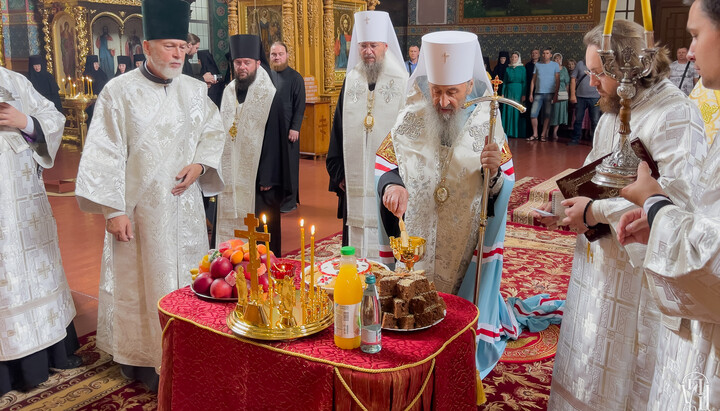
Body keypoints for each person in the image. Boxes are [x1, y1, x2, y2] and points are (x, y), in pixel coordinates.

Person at [535, 20, 708, 410]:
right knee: (590, 357)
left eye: (597, 73)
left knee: (627, 377)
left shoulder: (675, 114)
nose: (590, 81)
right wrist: (564, 207)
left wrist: (595, 211)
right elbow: (596, 174)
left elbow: (678, 202)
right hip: (598, 265)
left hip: (638, 279)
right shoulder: (615, 109)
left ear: (629, 69)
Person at [74, 0, 225, 391]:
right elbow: (103, 152)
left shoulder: (194, 91)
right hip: (137, 213)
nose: (178, 54)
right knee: (142, 283)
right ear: (146, 47)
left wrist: (201, 166)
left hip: (185, 206)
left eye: (183, 46)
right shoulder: (118, 93)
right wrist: (112, 210)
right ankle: (143, 359)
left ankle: (189, 350)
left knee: (189, 278)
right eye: (169, 46)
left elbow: (214, 130)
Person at [375, 31, 519, 378]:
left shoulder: (488, 124)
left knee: (455, 314)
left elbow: (502, 186)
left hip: (463, 243)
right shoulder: (410, 116)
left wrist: (495, 171)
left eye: (451, 93)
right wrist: (392, 185)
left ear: (468, 85)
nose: (442, 102)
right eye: (436, 91)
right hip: (417, 237)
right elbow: (385, 164)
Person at [616, 0, 720, 408]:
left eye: (695, 35)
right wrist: (658, 218)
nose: (688, 52)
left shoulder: (677, 110)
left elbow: (711, 259)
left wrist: (656, 204)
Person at [0, 65, 82, 395]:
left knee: (34, 271)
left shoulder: (13, 80)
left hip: (24, 205)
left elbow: (51, 117)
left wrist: (26, 123)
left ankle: (50, 353)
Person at [326, 10, 408, 262]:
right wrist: (338, 172)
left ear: (385, 45)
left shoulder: (402, 81)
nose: (368, 51)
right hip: (355, 182)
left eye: (373, 45)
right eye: (363, 46)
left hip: (389, 182)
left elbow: (408, 136)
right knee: (355, 245)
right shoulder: (351, 80)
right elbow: (338, 128)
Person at [216, 34, 291, 255]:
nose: (242, 67)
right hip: (231, 176)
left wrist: (268, 176)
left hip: (259, 180)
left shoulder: (270, 95)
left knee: (259, 235)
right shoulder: (228, 92)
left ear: (257, 64)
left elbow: (275, 138)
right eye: (238, 63)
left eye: (247, 63)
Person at [269, 41, 306, 213]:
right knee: (273, 165)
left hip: (288, 130)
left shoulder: (295, 77)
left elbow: (300, 106)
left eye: (280, 54)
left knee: (289, 166)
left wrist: (295, 128)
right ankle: (275, 198)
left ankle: (289, 201)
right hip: (269, 130)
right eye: (273, 54)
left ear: (287, 55)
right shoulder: (265, 75)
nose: (277, 57)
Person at [528, 48, 560, 142]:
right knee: (533, 114)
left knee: (547, 114)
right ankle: (535, 134)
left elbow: (557, 80)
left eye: (547, 53)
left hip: (550, 93)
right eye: (543, 53)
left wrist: (556, 94)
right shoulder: (537, 65)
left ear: (550, 55)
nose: (545, 55)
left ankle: (543, 135)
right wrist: (531, 93)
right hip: (538, 92)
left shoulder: (555, 65)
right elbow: (533, 80)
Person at [568, 58, 601, 145]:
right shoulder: (580, 64)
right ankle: (575, 139)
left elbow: (603, 80)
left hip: (595, 97)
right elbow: (573, 79)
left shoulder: (599, 64)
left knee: (595, 121)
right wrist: (572, 95)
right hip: (580, 97)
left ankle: (595, 142)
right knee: (578, 119)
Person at [502, 51, 526, 138]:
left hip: (518, 90)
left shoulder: (522, 68)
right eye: (512, 57)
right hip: (508, 90)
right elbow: (504, 82)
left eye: (515, 57)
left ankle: (515, 133)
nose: (513, 59)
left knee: (516, 109)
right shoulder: (508, 69)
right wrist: (503, 93)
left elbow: (524, 82)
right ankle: (506, 132)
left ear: (518, 58)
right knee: (507, 109)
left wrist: (523, 94)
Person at [549, 52, 569, 141]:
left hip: (563, 93)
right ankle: (547, 131)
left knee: (560, 113)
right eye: (556, 58)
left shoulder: (564, 69)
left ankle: (555, 132)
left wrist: (567, 94)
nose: (557, 60)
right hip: (553, 93)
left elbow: (567, 83)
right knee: (553, 112)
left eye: (559, 58)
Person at [523, 48, 540, 138]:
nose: (534, 54)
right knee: (530, 112)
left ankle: (539, 133)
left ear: (539, 55)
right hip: (529, 91)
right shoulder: (527, 65)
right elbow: (526, 79)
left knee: (539, 113)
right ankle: (530, 133)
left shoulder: (542, 64)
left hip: (540, 90)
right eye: (533, 53)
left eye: (536, 53)